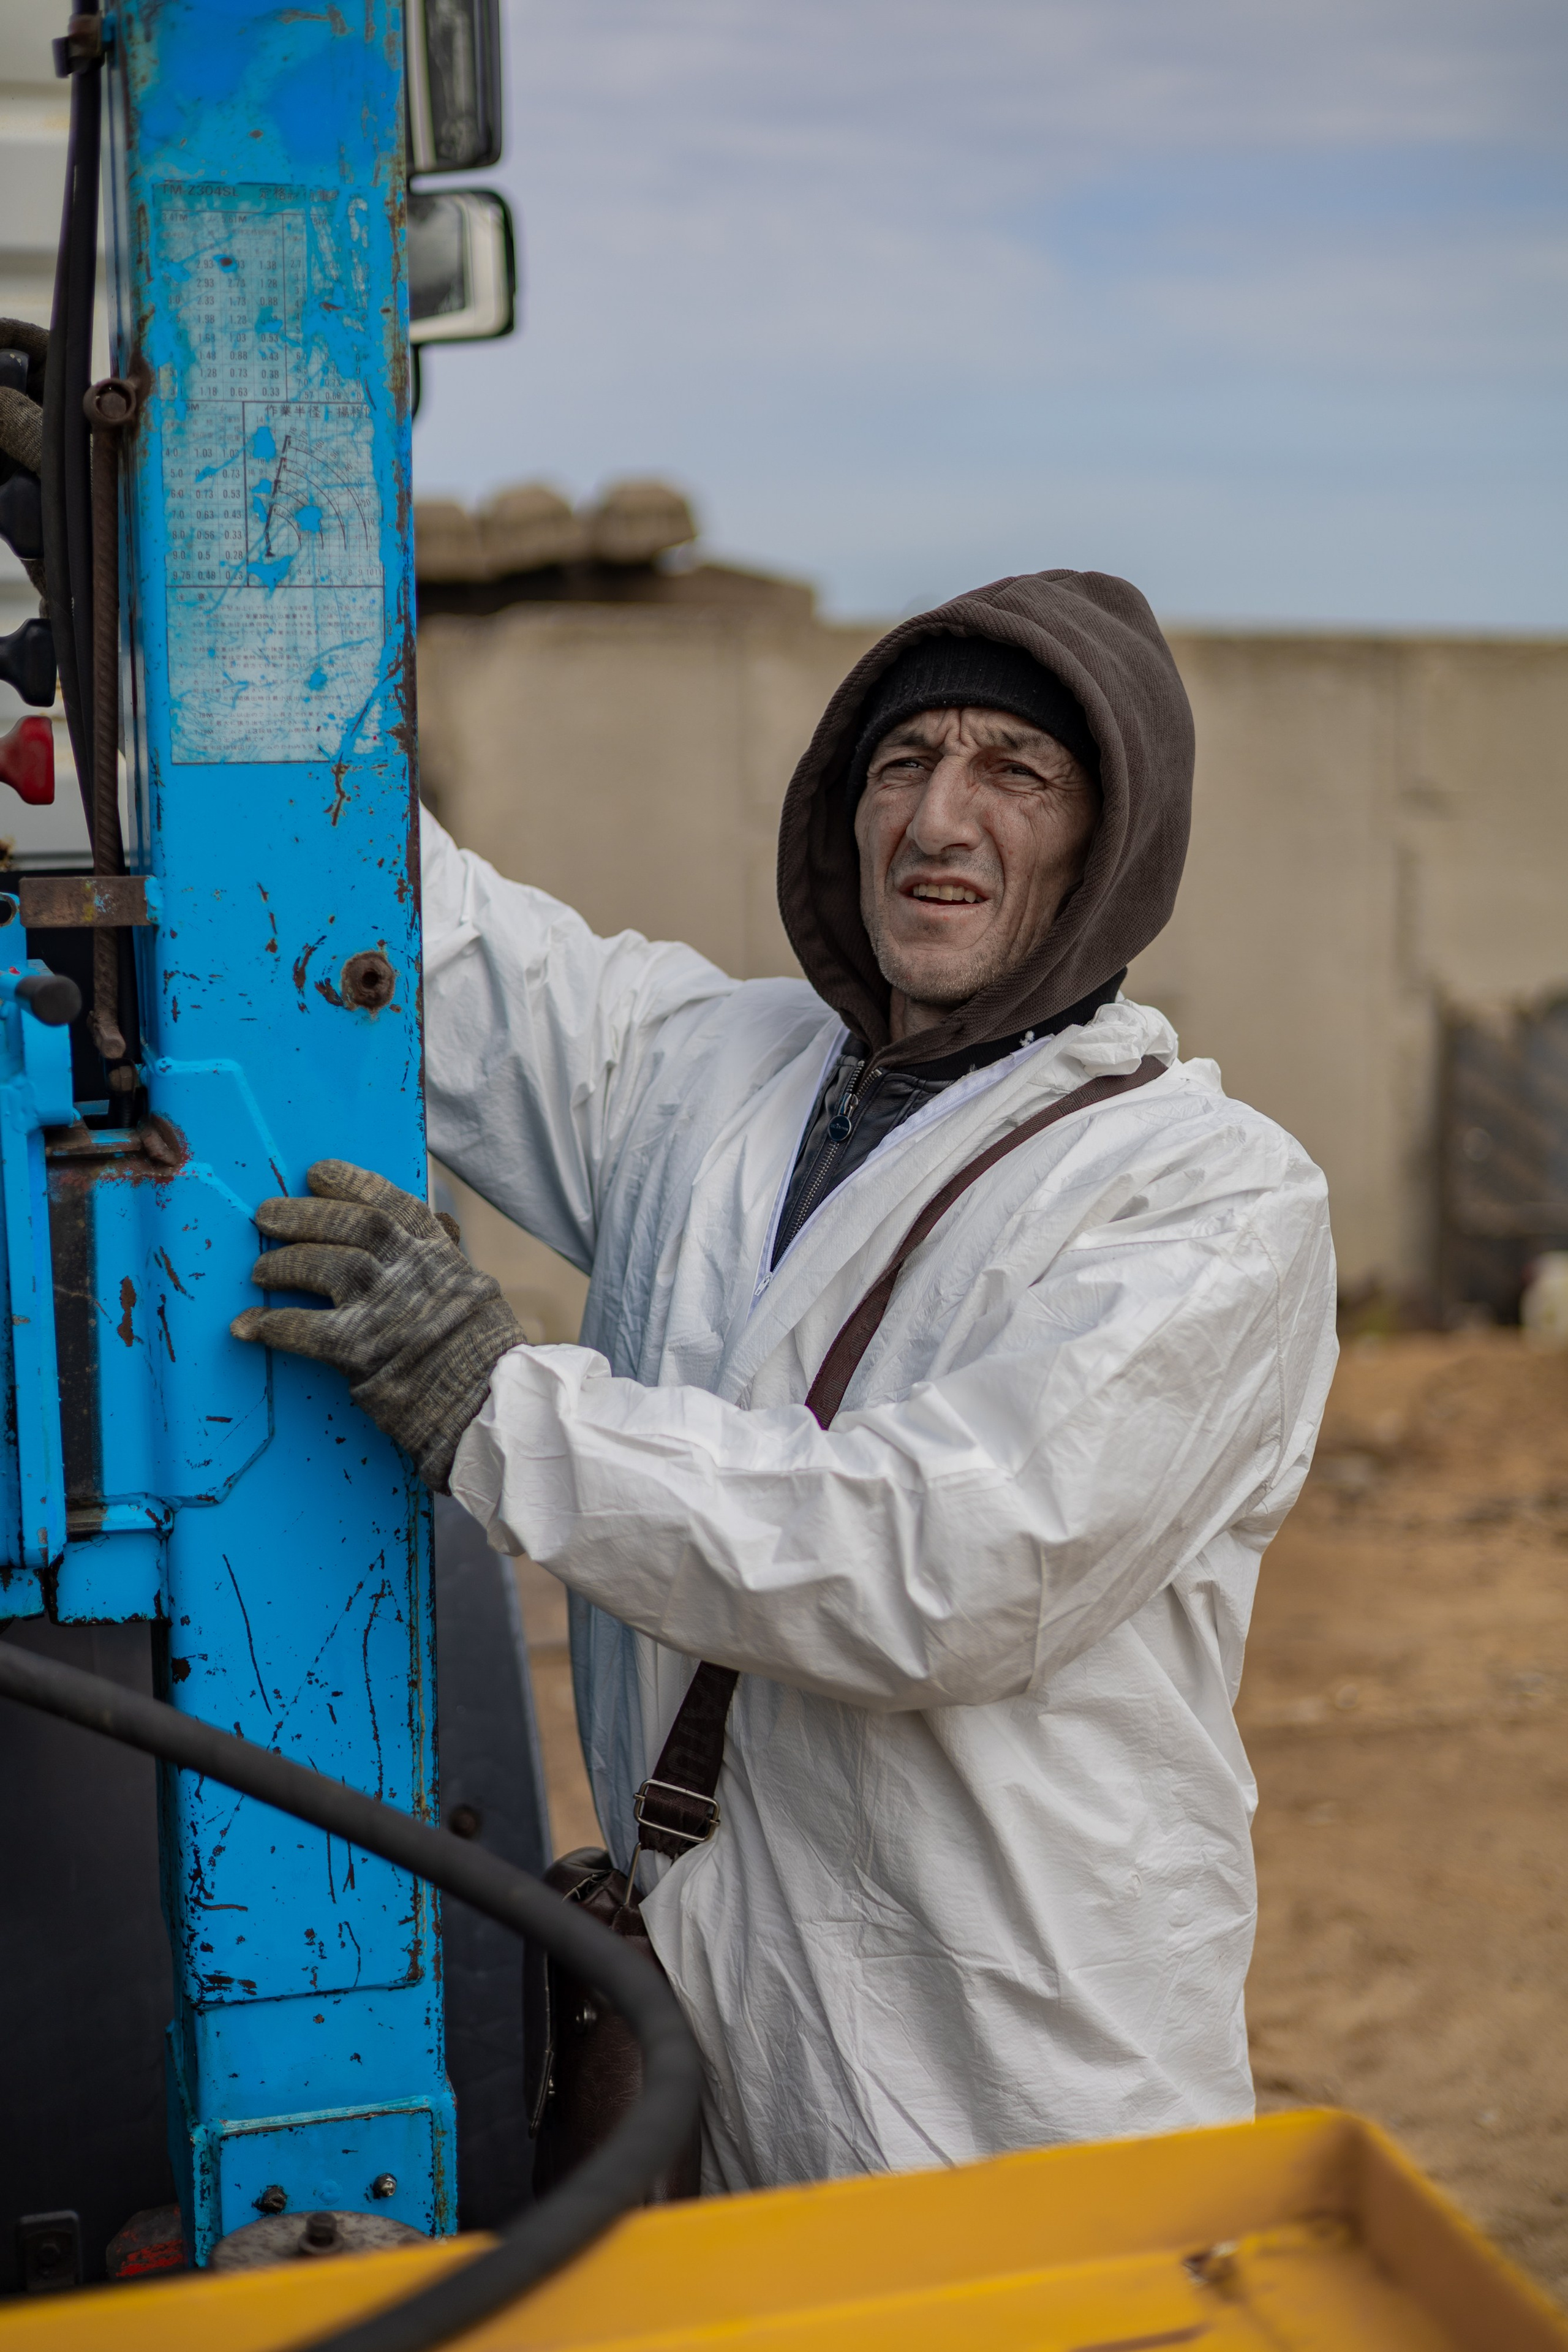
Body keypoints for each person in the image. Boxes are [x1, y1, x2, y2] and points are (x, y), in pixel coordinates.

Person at [234, 568, 1338, 2193]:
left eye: (1012, 776)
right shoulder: (723, 1068)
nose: (936, 822)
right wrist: (194, 604)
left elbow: (951, 1562)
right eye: (903, 765)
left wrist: (502, 1410)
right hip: (713, 2019)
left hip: (1004, 2084)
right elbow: (428, 937)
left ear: (1109, 846)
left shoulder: (1209, 1194)